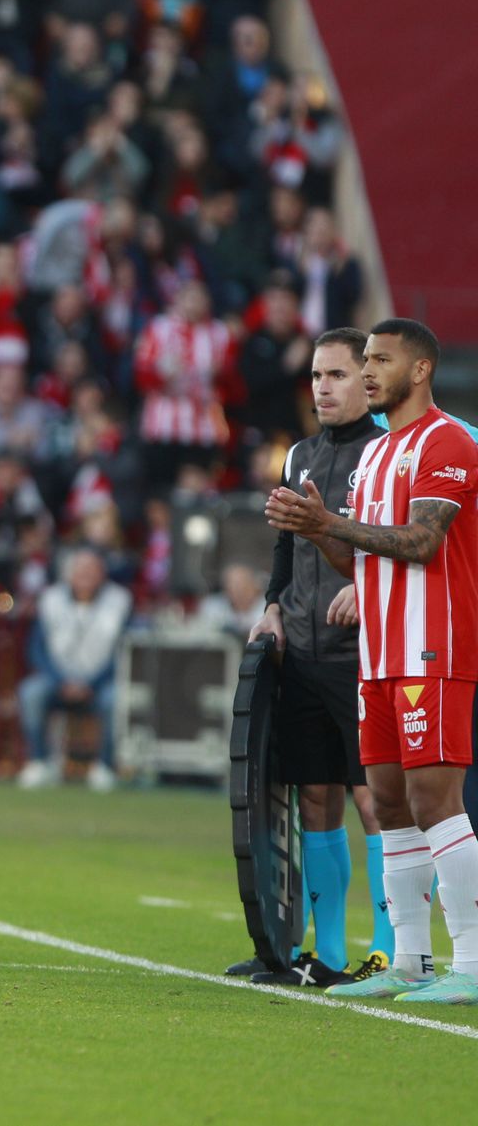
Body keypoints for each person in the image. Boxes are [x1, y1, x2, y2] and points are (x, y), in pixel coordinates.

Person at [267, 318, 478, 1004]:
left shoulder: (447, 441)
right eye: (363, 361)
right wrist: (317, 528)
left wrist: (332, 524)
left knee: (434, 799)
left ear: (419, 370)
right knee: (389, 803)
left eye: (379, 361)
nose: (366, 373)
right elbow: (357, 555)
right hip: (379, 654)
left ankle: (471, 962)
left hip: (433, 645)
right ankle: (410, 961)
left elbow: (420, 541)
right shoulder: (380, 455)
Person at [233, 327, 390, 987]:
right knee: (313, 799)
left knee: (376, 797)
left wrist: (368, 583)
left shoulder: (387, 452)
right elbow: (284, 546)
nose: (323, 386)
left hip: (364, 654)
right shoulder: (297, 453)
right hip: (302, 649)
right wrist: (272, 605)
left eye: (337, 375)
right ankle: (323, 956)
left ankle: (390, 948)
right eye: (317, 376)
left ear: (367, 380)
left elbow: (400, 540)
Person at [16, 547, 132, 792]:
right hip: (57, 681)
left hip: (100, 683)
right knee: (31, 692)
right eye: (80, 570)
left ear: (102, 574)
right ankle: (39, 762)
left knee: (117, 698)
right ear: (69, 574)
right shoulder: (50, 600)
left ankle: (105, 767)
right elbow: (36, 649)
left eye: (92, 570)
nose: (85, 576)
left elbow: (124, 653)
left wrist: (92, 684)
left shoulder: (120, 601)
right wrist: (60, 681)